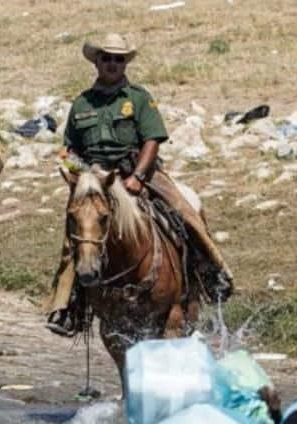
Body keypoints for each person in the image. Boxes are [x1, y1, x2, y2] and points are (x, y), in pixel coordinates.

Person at [45, 33, 233, 336]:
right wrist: (73, 169)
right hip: (96, 178)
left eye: (118, 59)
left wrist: (138, 176)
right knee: (77, 234)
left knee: (183, 209)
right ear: (97, 62)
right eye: (106, 58)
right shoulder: (81, 104)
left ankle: (214, 270)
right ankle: (67, 307)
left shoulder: (138, 97)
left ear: (124, 63)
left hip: (138, 173)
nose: (112, 64)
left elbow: (152, 140)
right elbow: (71, 147)